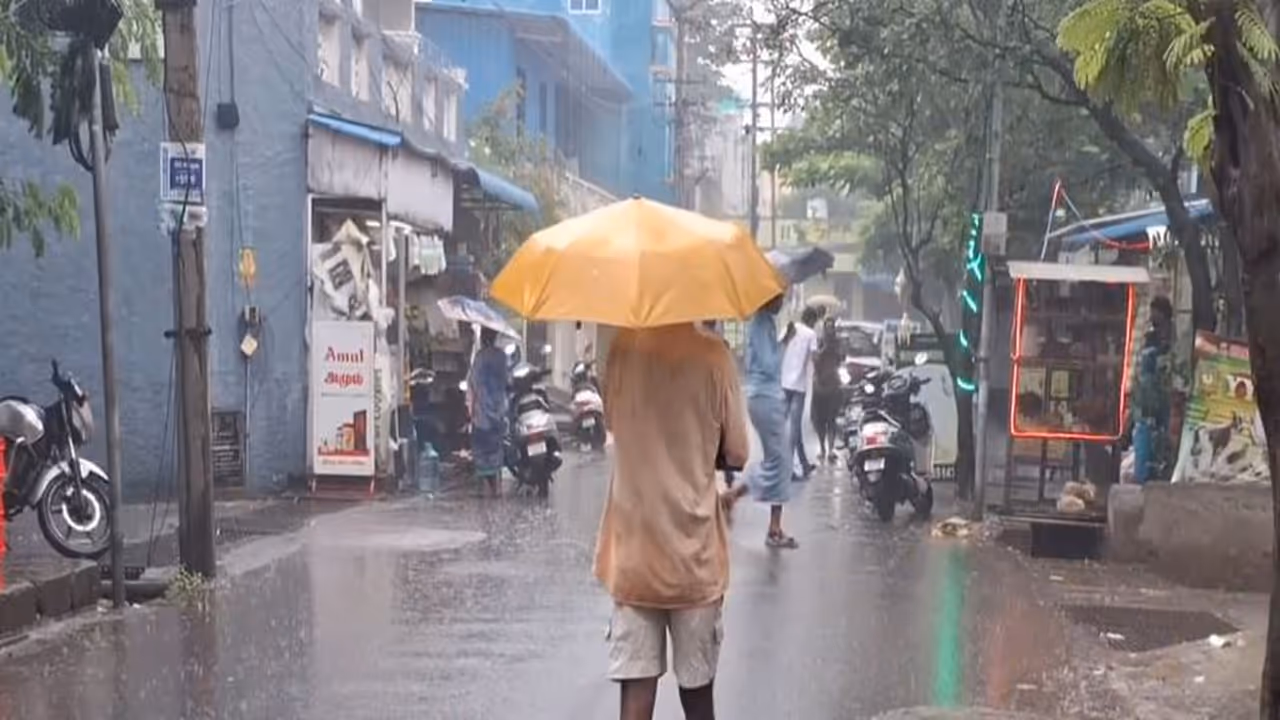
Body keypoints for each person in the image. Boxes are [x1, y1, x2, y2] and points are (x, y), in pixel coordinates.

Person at [594, 323, 750, 720]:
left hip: (634, 556)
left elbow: (614, 423)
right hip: (692, 558)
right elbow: (736, 452)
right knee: (697, 697)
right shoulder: (714, 356)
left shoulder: (623, 349)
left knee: (636, 697)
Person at [744, 294, 799, 549]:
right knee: (781, 460)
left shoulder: (763, 322)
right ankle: (742, 491)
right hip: (765, 396)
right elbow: (769, 364)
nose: (782, 304)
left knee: (780, 459)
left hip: (764, 396)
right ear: (768, 299)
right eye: (780, 299)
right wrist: (786, 342)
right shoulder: (761, 324)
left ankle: (774, 527)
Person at [468, 327, 509, 497]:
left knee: (481, 450)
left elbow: (474, 383)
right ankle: (497, 488)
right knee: (496, 448)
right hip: (498, 410)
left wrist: (472, 409)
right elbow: (507, 380)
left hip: (482, 412)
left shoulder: (479, 357)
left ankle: (483, 488)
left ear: (484, 338)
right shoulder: (502, 357)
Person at [780, 306, 820, 479]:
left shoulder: (789, 327)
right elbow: (815, 357)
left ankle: (803, 463)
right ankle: (787, 470)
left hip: (783, 382)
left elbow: (779, 346)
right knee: (794, 428)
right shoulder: (811, 334)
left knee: (787, 427)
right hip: (798, 386)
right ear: (813, 320)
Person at [811, 316, 844, 462]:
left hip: (833, 386)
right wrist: (824, 349)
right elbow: (815, 360)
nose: (830, 330)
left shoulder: (838, 343)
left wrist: (835, 350)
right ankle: (822, 447)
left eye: (832, 327)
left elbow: (841, 358)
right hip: (819, 386)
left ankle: (830, 449)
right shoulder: (818, 342)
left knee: (832, 419)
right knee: (819, 421)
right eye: (827, 327)